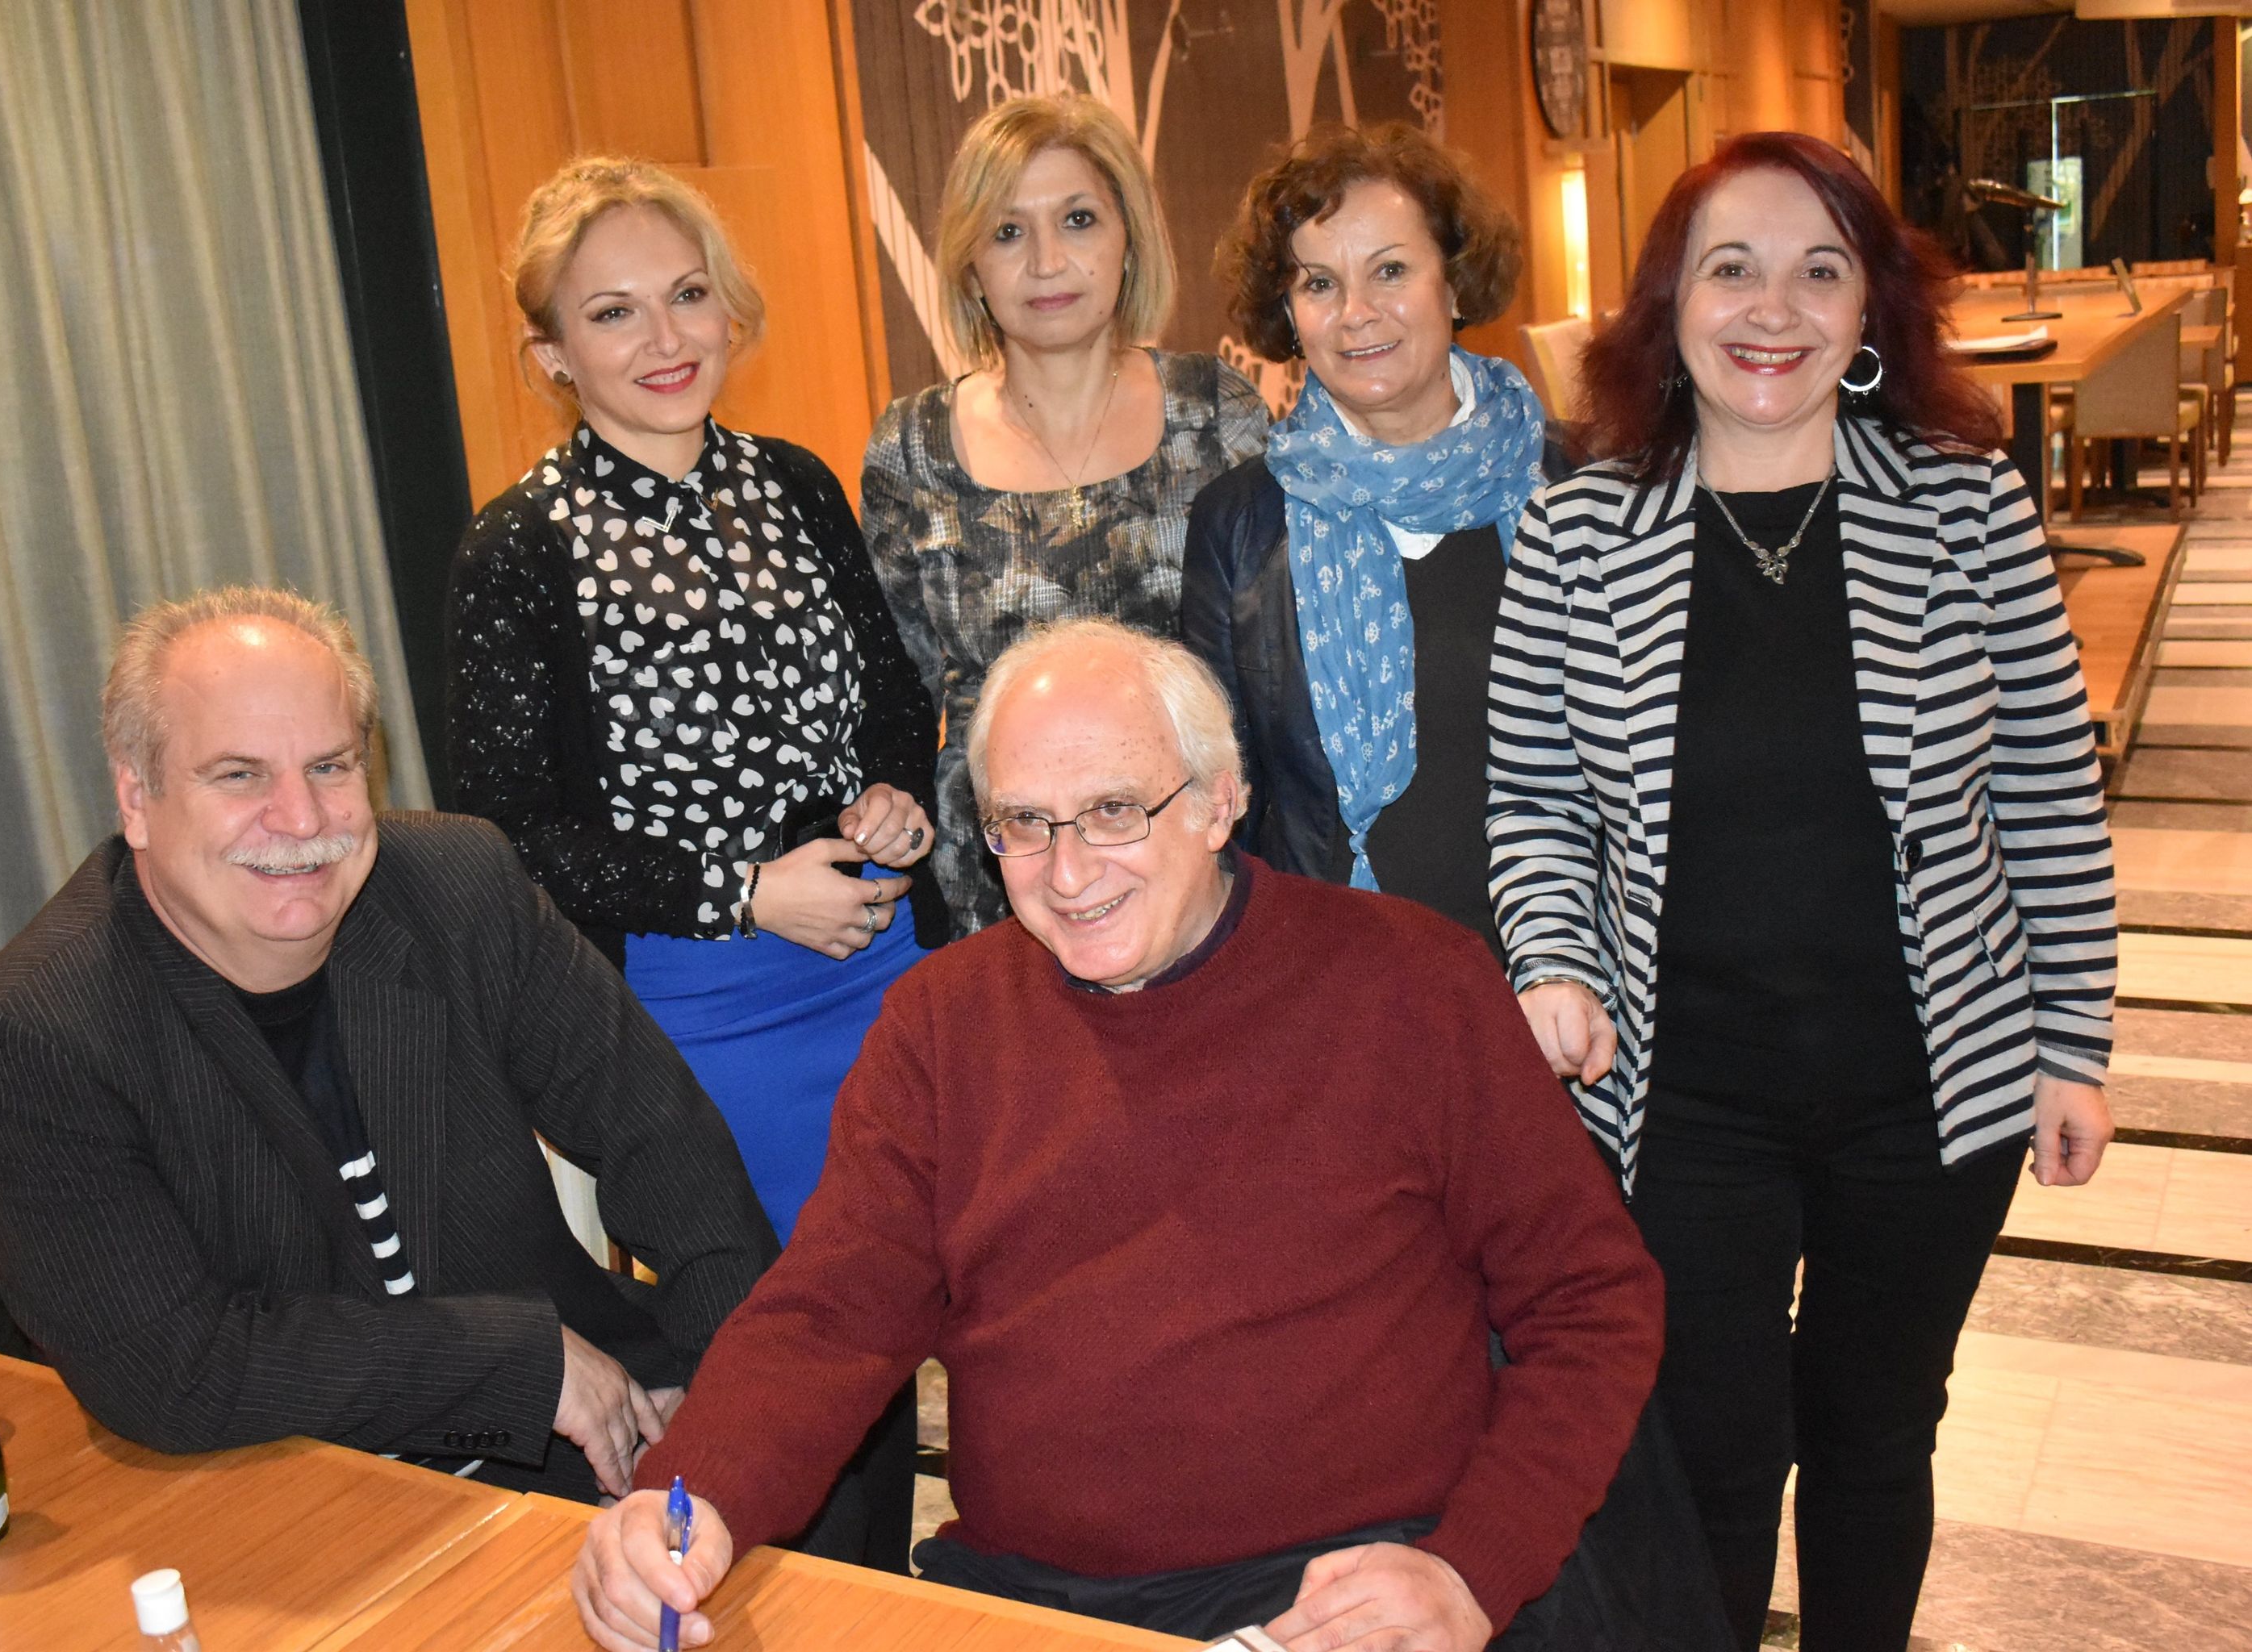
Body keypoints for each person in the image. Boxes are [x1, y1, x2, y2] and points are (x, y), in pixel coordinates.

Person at [567, 618, 1723, 1652]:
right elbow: (831, 1314)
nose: (1068, 874)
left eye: (1115, 811)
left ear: (1220, 802)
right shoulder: (943, 1023)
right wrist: (687, 1500)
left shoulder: (1413, 984)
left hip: (1354, 1593)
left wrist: (1473, 1571)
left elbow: (1591, 1301)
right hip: (1042, 1599)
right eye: (1024, 824)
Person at [1486, 132, 2117, 1652]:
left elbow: (2045, 789)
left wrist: (2071, 1043)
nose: (1772, 309)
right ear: (1669, 303)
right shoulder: (1578, 527)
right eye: (1732, 269)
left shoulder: (1962, 505)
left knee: (1874, 1433)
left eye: (1817, 271)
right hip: (1679, 1098)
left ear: (1866, 309)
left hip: (1928, 1092)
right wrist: (1552, 959)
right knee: (1709, 1450)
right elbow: (1535, 802)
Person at [0, 588, 779, 1504]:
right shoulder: (33, 1037)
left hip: (589, 1430)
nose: (301, 819)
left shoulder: (461, 886)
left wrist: (727, 1396)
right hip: (295, 1488)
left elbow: (666, 1143)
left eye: (329, 766)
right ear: (137, 798)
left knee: (825, 1471)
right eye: (240, 775)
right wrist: (521, 1363)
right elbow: (174, 1369)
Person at [447, 154, 937, 1566]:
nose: (664, 339)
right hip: (702, 1012)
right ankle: (824, 1601)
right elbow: (512, 836)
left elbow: (889, 695)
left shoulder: (794, 484)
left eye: (686, 295)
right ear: (551, 352)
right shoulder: (519, 550)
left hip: (885, 968)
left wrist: (892, 797)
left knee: (937, 1296)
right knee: (798, 1341)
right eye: (612, 313)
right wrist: (743, 890)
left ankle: (921, 1599)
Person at [863, 94, 1271, 937]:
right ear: (970, 266)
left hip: (1199, 868)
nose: (1047, 262)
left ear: (1129, 239)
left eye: (1078, 220)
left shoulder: (1215, 415)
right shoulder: (912, 448)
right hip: (1001, 883)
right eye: (1008, 232)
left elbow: (1274, 673)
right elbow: (896, 697)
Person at [1184, 123, 1549, 956]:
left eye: (1390, 270)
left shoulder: (1576, 483)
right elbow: (1219, 798)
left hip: (1571, 976)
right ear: (1288, 313)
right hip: (1340, 979)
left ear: (1454, 282)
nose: (1356, 313)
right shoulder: (1239, 524)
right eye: (1319, 283)